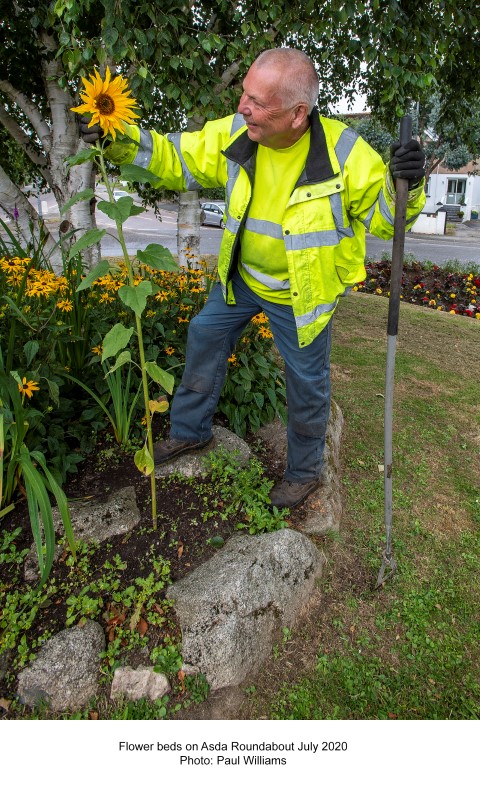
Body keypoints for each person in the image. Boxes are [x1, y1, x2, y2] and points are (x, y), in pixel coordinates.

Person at [79, 48, 426, 509]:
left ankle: (304, 473)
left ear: (298, 114)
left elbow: (388, 220)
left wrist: (408, 183)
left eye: (258, 102)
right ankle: (189, 432)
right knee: (204, 333)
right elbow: (172, 156)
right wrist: (119, 136)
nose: (243, 107)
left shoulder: (346, 154)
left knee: (307, 384)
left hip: (301, 296)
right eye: (244, 93)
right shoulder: (237, 132)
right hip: (242, 280)